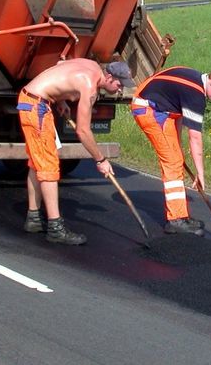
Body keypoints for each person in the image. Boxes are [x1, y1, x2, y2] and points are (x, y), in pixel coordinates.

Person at [18, 59, 135, 245]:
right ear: (110, 77)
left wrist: (61, 98)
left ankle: (33, 218)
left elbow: (59, 64)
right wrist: (100, 160)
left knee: (37, 162)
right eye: (119, 85)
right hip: (36, 107)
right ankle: (55, 228)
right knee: (49, 167)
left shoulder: (92, 65)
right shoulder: (89, 86)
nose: (120, 90)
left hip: (32, 100)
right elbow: (82, 130)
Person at [131, 66, 211, 236]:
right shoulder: (195, 94)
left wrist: (176, 147)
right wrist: (200, 173)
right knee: (172, 162)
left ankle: (182, 215)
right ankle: (175, 220)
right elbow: (195, 138)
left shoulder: (194, 80)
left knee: (176, 157)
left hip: (166, 111)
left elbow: (177, 113)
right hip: (147, 108)